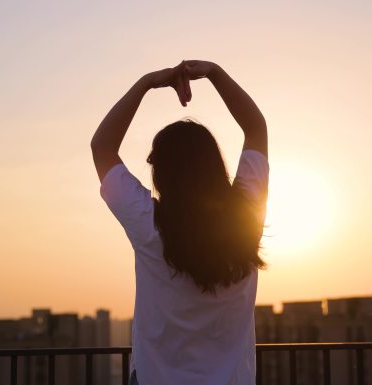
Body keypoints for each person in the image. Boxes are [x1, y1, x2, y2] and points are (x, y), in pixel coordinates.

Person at [91, 60, 269, 385]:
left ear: (162, 171)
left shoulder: (149, 224)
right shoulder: (246, 219)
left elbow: (102, 147)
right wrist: (214, 72)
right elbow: (256, 128)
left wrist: (146, 82)